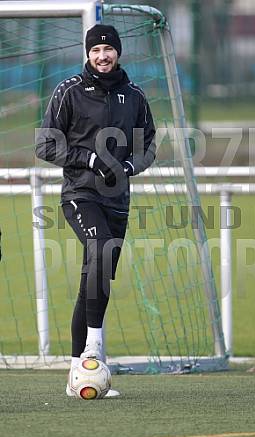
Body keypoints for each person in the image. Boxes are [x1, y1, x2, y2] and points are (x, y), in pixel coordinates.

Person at [36, 24, 156, 397]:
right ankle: (93, 351)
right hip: (80, 194)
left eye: (108, 49)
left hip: (117, 201)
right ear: (87, 54)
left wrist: (130, 166)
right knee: (100, 250)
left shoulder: (134, 96)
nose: (102, 56)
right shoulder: (68, 91)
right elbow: (45, 144)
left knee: (97, 277)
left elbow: (148, 144)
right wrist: (89, 159)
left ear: (118, 52)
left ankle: (78, 375)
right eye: (95, 50)